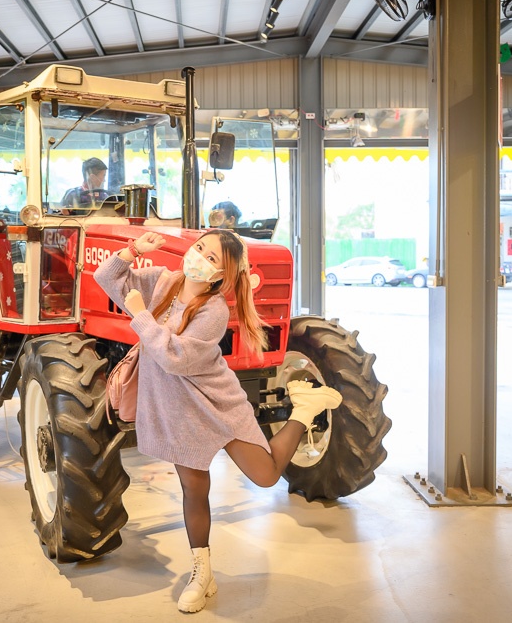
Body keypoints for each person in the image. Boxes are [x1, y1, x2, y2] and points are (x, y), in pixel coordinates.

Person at [93, 229, 342, 614]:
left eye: (211, 259)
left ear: (221, 275)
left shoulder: (214, 311)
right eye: (199, 249)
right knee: (194, 490)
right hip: (177, 409)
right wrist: (130, 252)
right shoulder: (163, 281)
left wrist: (140, 314)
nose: (198, 259)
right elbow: (106, 278)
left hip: (216, 403)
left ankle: (304, 411)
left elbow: (175, 358)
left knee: (266, 475)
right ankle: (201, 573)